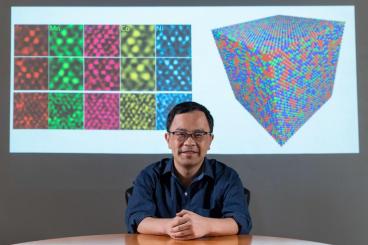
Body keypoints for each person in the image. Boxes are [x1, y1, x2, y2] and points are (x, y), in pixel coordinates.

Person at [125, 101, 252, 240]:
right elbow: (136, 218)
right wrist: (169, 226)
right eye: (181, 133)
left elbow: (240, 221)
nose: (189, 142)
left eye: (198, 134)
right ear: (168, 139)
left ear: (210, 140)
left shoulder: (227, 177)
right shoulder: (149, 176)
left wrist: (207, 226)